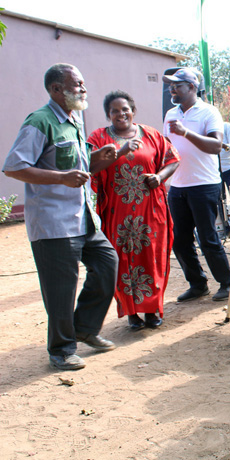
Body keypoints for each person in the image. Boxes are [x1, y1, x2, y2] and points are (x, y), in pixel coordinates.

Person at [3, 63, 118, 370]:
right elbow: (14, 167)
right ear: (56, 90)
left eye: (82, 84)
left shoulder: (74, 119)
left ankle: (84, 328)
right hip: (53, 223)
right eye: (76, 85)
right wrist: (60, 178)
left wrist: (97, 160)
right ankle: (61, 349)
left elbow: (75, 169)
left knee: (108, 265)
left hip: (83, 217)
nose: (83, 89)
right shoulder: (40, 122)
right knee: (60, 289)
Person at [87, 90, 180, 330]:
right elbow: (90, 165)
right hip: (117, 214)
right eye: (115, 111)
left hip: (151, 211)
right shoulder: (98, 138)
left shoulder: (151, 134)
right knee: (122, 260)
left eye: (125, 109)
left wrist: (159, 178)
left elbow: (173, 159)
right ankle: (131, 311)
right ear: (108, 114)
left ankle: (152, 309)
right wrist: (121, 151)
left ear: (133, 110)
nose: (121, 114)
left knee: (153, 258)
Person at [163, 68, 230, 303]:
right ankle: (197, 284)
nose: (172, 89)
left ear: (192, 87)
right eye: (170, 86)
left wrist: (186, 133)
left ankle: (228, 284)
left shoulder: (209, 112)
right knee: (179, 239)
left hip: (204, 184)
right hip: (178, 185)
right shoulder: (170, 114)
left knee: (207, 238)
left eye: (177, 85)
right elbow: (167, 145)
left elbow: (216, 146)